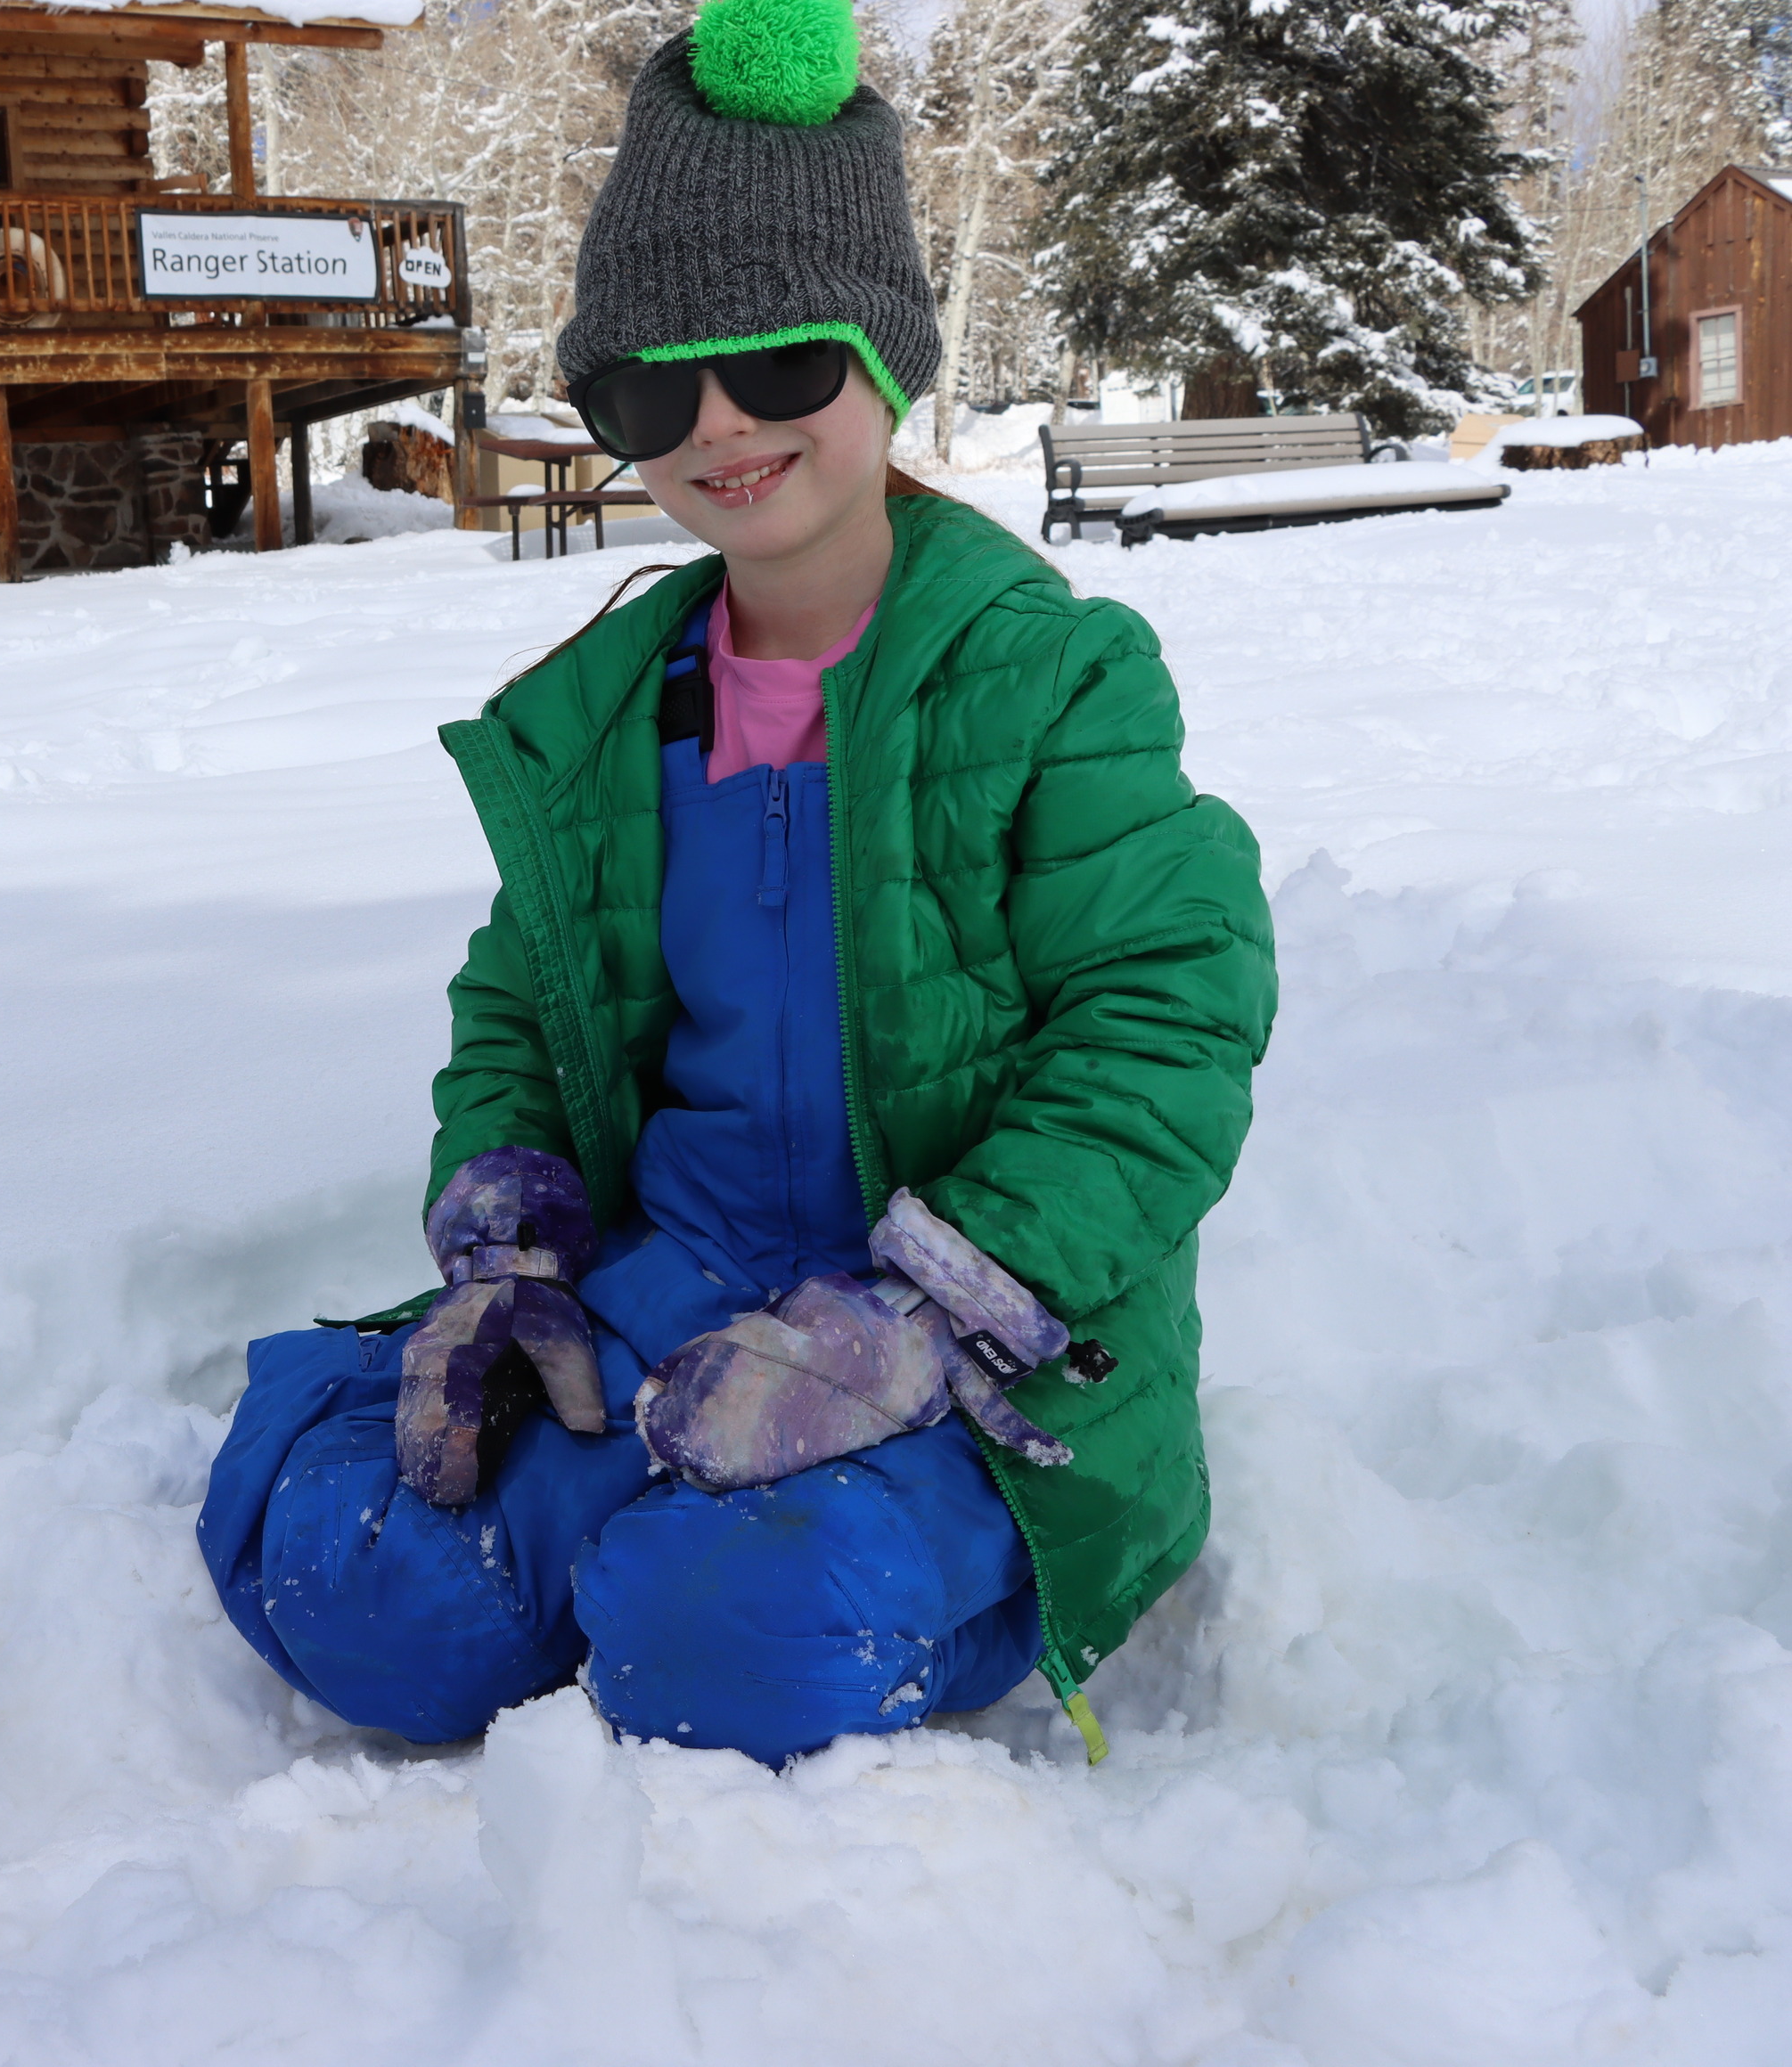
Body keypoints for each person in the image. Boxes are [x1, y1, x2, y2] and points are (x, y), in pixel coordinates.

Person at [197, 0, 1278, 1766]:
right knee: (371, 1583)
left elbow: (1168, 1025)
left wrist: (939, 1297)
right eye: (649, 386)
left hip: (989, 1365)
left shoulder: (1053, 681)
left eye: (777, 365)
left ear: (885, 354)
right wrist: (517, 1236)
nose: (720, 426)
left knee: (734, 1637)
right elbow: (519, 1013)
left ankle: (794, 1571)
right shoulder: (614, 718)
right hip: (676, 1281)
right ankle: (603, 1541)